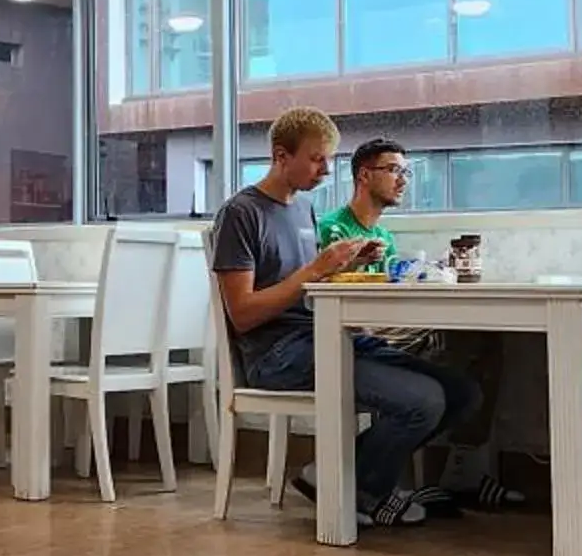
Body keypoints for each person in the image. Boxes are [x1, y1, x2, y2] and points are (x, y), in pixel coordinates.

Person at [210, 109, 453, 527]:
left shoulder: (303, 210)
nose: (325, 171)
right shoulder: (241, 213)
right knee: (424, 401)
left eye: (329, 160)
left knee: (460, 392)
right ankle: (350, 487)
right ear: (281, 155)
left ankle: (345, 481)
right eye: (316, 159)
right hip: (277, 355)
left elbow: (306, 288)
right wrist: (316, 270)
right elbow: (243, 314)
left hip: (322, 336)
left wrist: (345, 265)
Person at [314, 138, 518, 511]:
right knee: (463, 354)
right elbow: (328, 294)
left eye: (405, 171)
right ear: (363, 175)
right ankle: (382, 477)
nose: (403, 180)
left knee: (483, 341)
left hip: (386, 331)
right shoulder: (333, 230)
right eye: (393, 170)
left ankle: (458, 467)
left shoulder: (384, 236)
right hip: (360, 337)